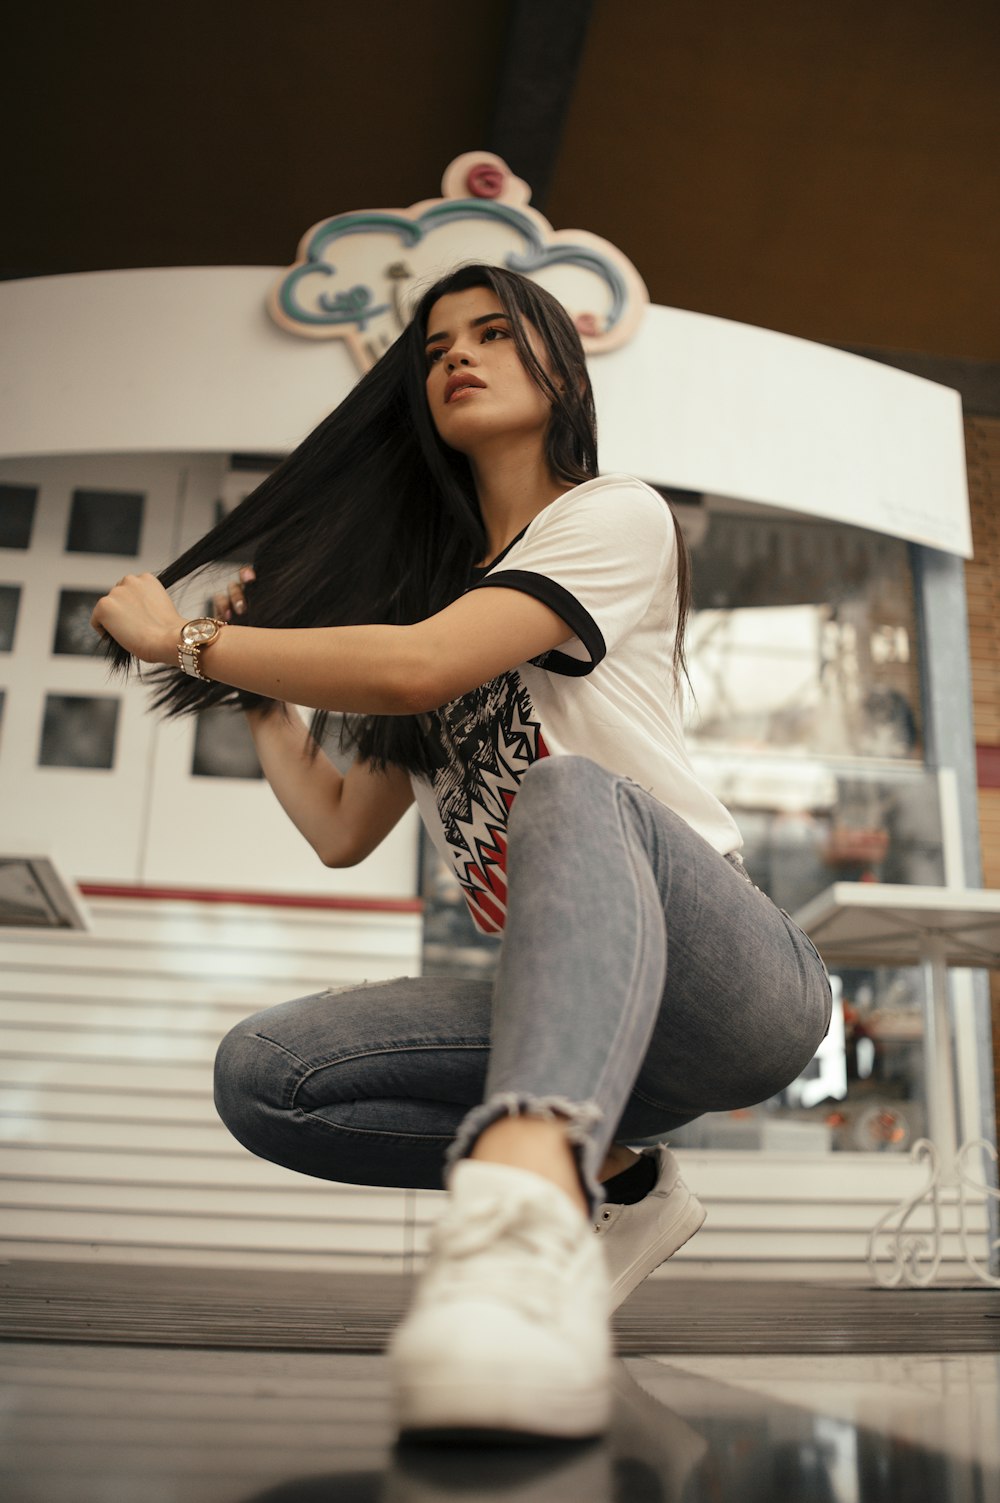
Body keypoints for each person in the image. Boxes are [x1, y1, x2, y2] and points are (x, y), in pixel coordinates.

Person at [92, 262, 832, 1442]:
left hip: (724, 984)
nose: (455, 358)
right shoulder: (438, 607)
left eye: (491, 334)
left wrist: (184, 641)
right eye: (435, 349)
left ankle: (524, 1220)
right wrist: (264, 706)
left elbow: (419, 664)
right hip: (576, 1019)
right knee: (264, 1075)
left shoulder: (609, 516)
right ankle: (619, 1183)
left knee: (568, 792)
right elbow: (341, 828)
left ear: (558, 368)